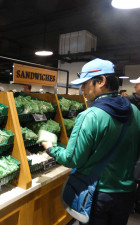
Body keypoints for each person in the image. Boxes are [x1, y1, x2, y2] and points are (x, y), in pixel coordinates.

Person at [41, 58, 140, 225]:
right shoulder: (135, 111)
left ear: (100, 81)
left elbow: (72, 159)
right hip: (126, 193)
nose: (82, 90)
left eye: (85, 84)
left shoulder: (90, 116)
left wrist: (51, 148)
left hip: (98, 194)